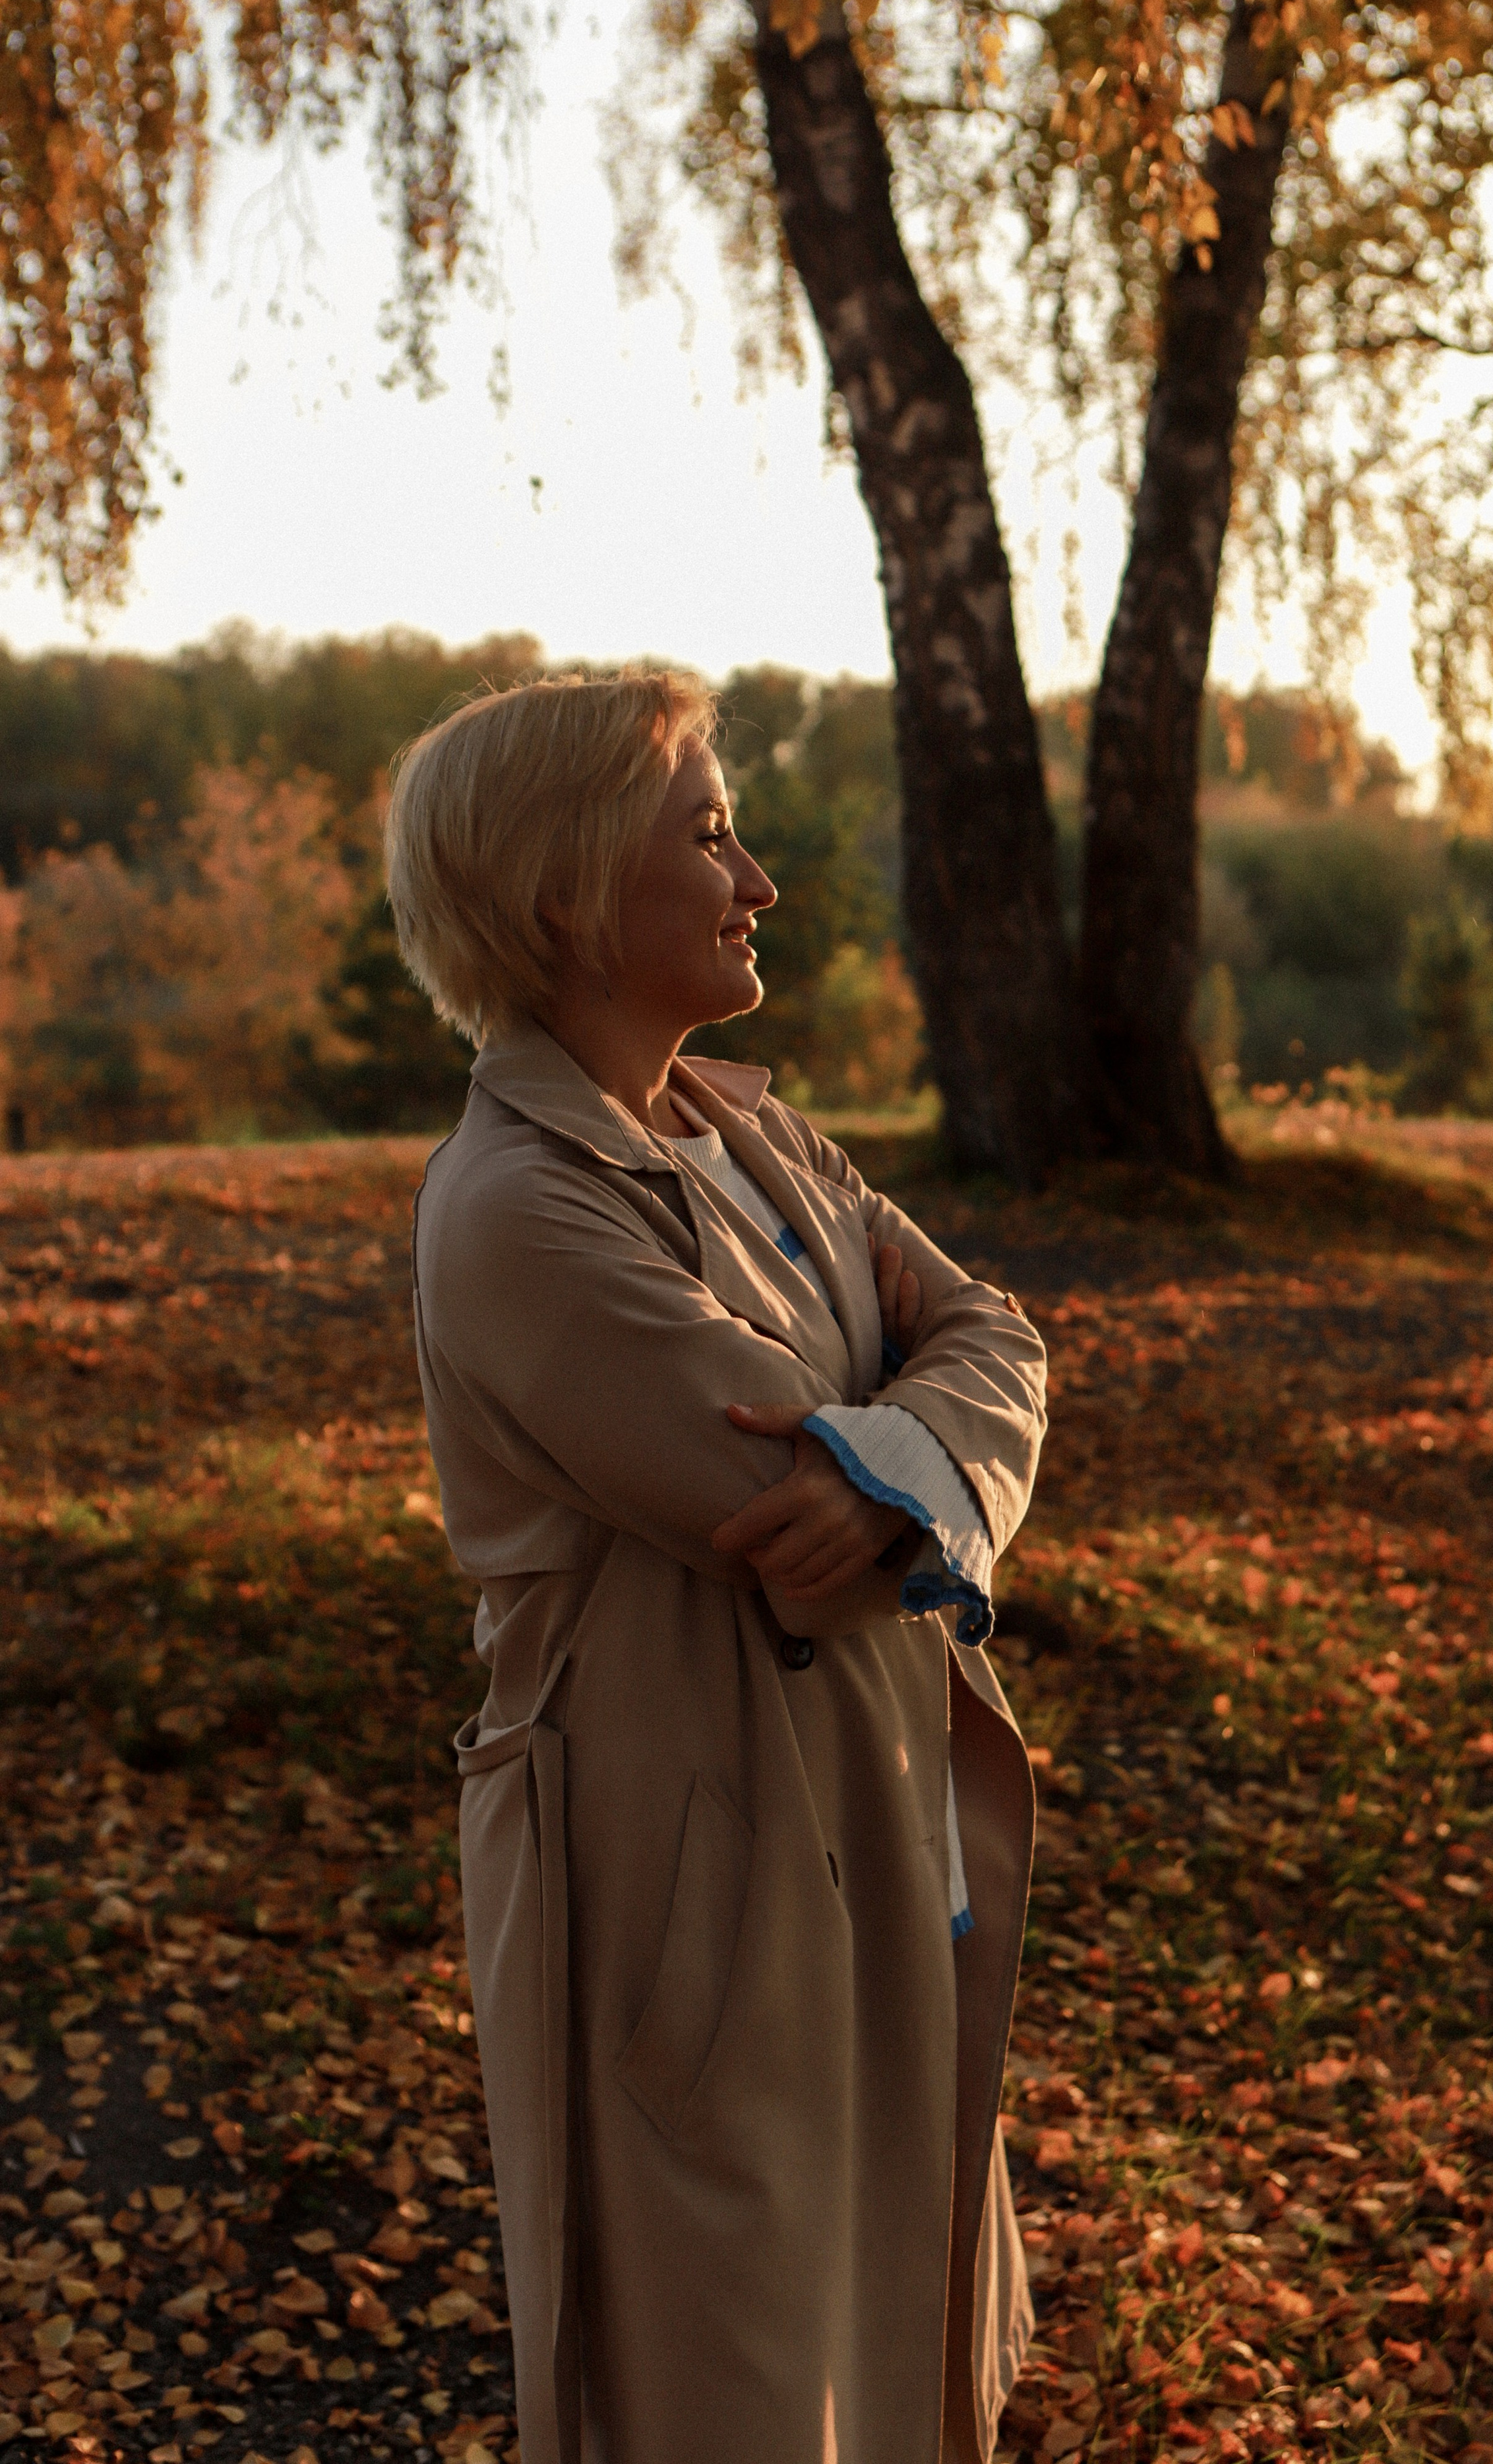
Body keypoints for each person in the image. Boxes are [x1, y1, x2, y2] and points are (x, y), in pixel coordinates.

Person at [388, 667, 1046, 2464]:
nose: (758, 881)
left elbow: (996, 1330)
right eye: (709, 832)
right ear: (562, 894)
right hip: (685, 1875)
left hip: (866, 1817)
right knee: (728, 2378)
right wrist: (906, 1458)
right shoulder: (518, 1204)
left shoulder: (753, 1133)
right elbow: (766, 1487)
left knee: (900, 2328)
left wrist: (898, 1473)